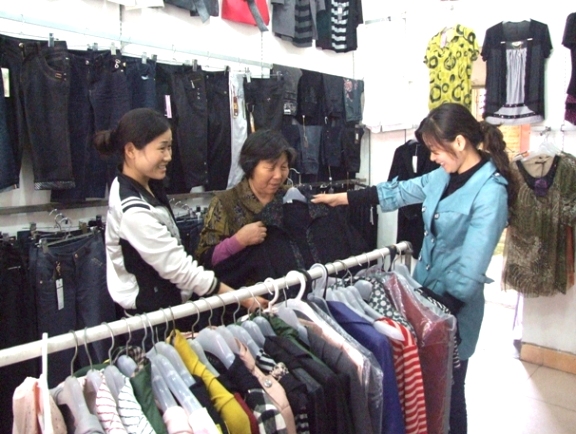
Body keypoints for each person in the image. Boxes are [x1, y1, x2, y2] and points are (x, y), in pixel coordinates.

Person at [311, 102, 517, 434]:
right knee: (429, 387)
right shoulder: (443, 175)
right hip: (424, 295)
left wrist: (437, 319)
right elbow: (400, 191)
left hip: (455, 310)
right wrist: (343, 199)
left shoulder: (491, 192)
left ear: (460, 142)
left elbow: (471, 267)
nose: (432, 158)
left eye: (435, 150)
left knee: (451, 391)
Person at [93, 108, 265, 322]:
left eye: (170, 147)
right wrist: (243, 299)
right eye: (162, 148)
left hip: (168, 308)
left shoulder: (140, 184)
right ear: (130, 150)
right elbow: (180, 269)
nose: (169, 156)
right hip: (152, 320)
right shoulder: (134, 212)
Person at [195, 129, 297, 270]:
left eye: (284, 167)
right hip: (244, 283)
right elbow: (204, 261)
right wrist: (238, 241)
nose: (278, 175)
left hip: (292, 280)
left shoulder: (291, 196)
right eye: (270, 167)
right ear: (251, 166)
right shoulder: (225, 203)